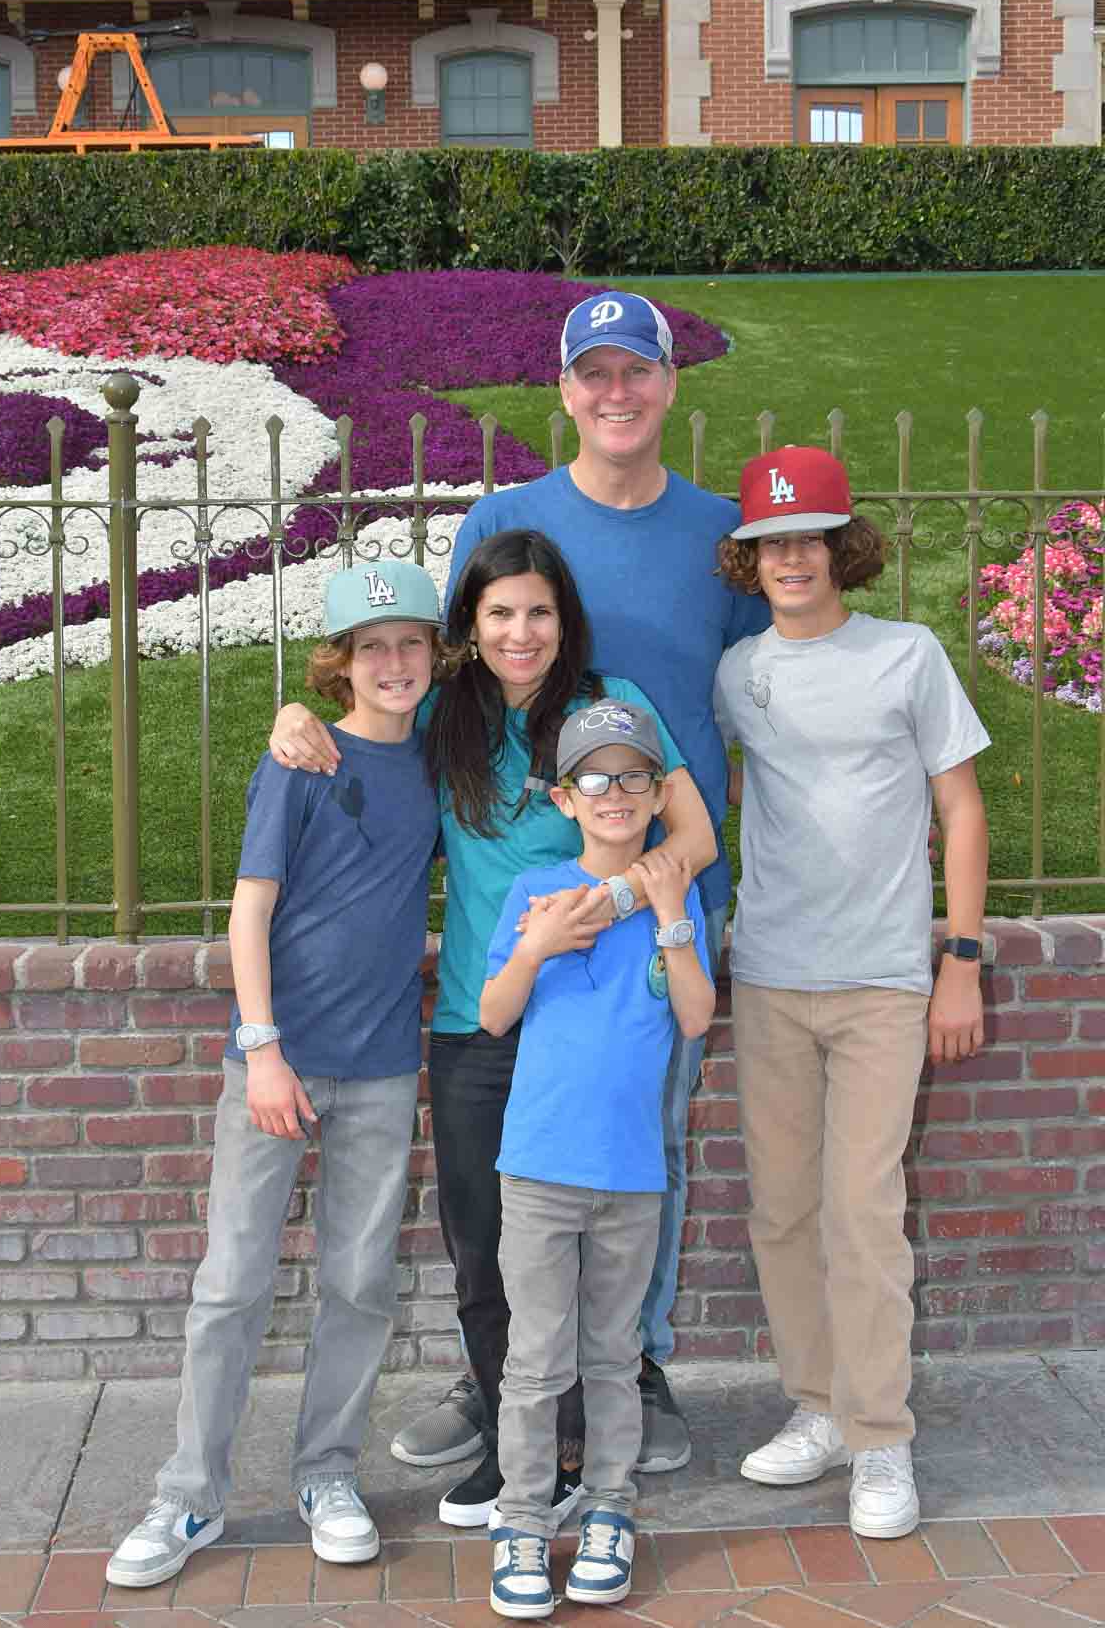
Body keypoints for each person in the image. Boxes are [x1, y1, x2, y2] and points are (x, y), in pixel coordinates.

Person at [390, 290, 771, 1474]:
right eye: (593, 373)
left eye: (637, 371)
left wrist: (650, 889)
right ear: (562, 390)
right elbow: (440, 676)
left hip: (656, 902)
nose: (617, 393)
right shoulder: (507, 519)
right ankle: (496, 1378)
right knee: (508, 1168)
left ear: (668, 384)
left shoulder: (719, 535)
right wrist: (310, 721)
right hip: (526, 919)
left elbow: (768, 682)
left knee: (636, 1148)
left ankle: (634, 1368)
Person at [269, 526, 717, 1528]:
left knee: (590, 1238)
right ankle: (519, 1442)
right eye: (500, 613)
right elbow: (356, 725)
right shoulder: (443, 709)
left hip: (580, 1018)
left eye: (540, 612)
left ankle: (583, 1444)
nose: (522, 633)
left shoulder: (612, 709)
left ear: (567, 620)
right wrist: (295, 716)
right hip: (480, 1016)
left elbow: (692, 833)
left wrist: (607, 909)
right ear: (471, 623)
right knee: (482, 1240)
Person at [106, 558, 447, 1588]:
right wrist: (262, 1049)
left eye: (411, 643)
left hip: (384, 1068)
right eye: (372, 646)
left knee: (357, 1281)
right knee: (230, 1286)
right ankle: (188, 1498)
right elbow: (250, 909)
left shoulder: (439, 760)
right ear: (338, 663)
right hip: (277, 1063)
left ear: (436, 654)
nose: (394, 662)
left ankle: (326, 1474)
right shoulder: (299, 760)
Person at [713, 445, 990, 1540]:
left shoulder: (907, 656)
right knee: (783, 1209)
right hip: (772, 973)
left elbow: (960, 809)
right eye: (771, 540)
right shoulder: (740, 673)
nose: (791, 557)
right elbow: (724, 790)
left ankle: (882, 1440)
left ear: (843, 547)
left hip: (883, 979)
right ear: (751, 556)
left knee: (865, 1213)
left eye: (809, 537)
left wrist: (959, 959)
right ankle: (818, 1406)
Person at [482, 702, 715, 1620]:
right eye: (594, 780)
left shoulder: (676, 896)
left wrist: (670, 916)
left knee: (613, 1354)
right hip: (539, 1169)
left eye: (632, 779)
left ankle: (612, 1506)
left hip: (630, 1178)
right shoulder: (536, 892)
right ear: (564, 799)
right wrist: (537, 946)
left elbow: (695, 1016)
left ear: (658, 795)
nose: (614, 794)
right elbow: (494, 1014)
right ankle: (523, 1519)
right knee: (536, 1360)